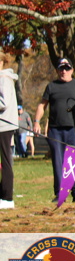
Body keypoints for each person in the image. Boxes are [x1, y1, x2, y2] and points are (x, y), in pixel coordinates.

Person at [34, 58, 75, 203]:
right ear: (57, 70)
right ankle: (60, 193)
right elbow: (42, 105)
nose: (64, 71)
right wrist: (36, 121)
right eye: (61, 68)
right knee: (58, 162)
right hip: (55, 130)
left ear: (72, 70)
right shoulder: (51, 86)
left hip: (74, 129)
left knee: (74, 160)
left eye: (67, 68)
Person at [0, 50, 19, 209]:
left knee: (6, 160)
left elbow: (3, 103)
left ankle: (7, 198)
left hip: (4, 125)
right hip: (3, 125)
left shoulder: (4, 78)